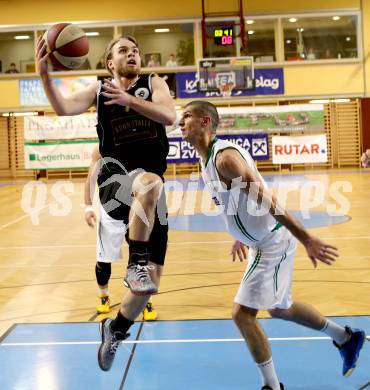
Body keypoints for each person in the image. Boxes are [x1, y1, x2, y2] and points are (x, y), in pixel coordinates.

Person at [179, 101, 366, 390]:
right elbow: (235, 204)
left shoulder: (225, 159)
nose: (181, 122)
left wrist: (306, 237)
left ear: (205, 122)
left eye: (187, 116)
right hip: (260, 242)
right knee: (279, 308)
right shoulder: (205, 161)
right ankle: (345, 337)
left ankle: (272, 386)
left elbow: (266, 200)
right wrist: (239, 235)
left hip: (272, 241)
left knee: (242, 315)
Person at [36, 35, 176, 371]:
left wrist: (129, 99)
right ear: (110, 63)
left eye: (135, 49)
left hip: (151, 193)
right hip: (115, 180)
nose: (132, 53)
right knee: (149, 182)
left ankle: (114, 329)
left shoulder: (155, 83)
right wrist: (44, 74)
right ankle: (135, 262)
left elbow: (168, 116)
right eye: (124, 50)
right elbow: (62, 108)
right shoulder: (99, 91)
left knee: (149, 287)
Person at [85, 144, 158, 320]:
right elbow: (90, 178)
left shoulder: (139, 146)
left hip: (134, 210)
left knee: (141, 258)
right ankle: (104, 296)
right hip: (109, 212)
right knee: (104, 261)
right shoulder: (101, 149)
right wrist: (87, 206)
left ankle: (142, 300)